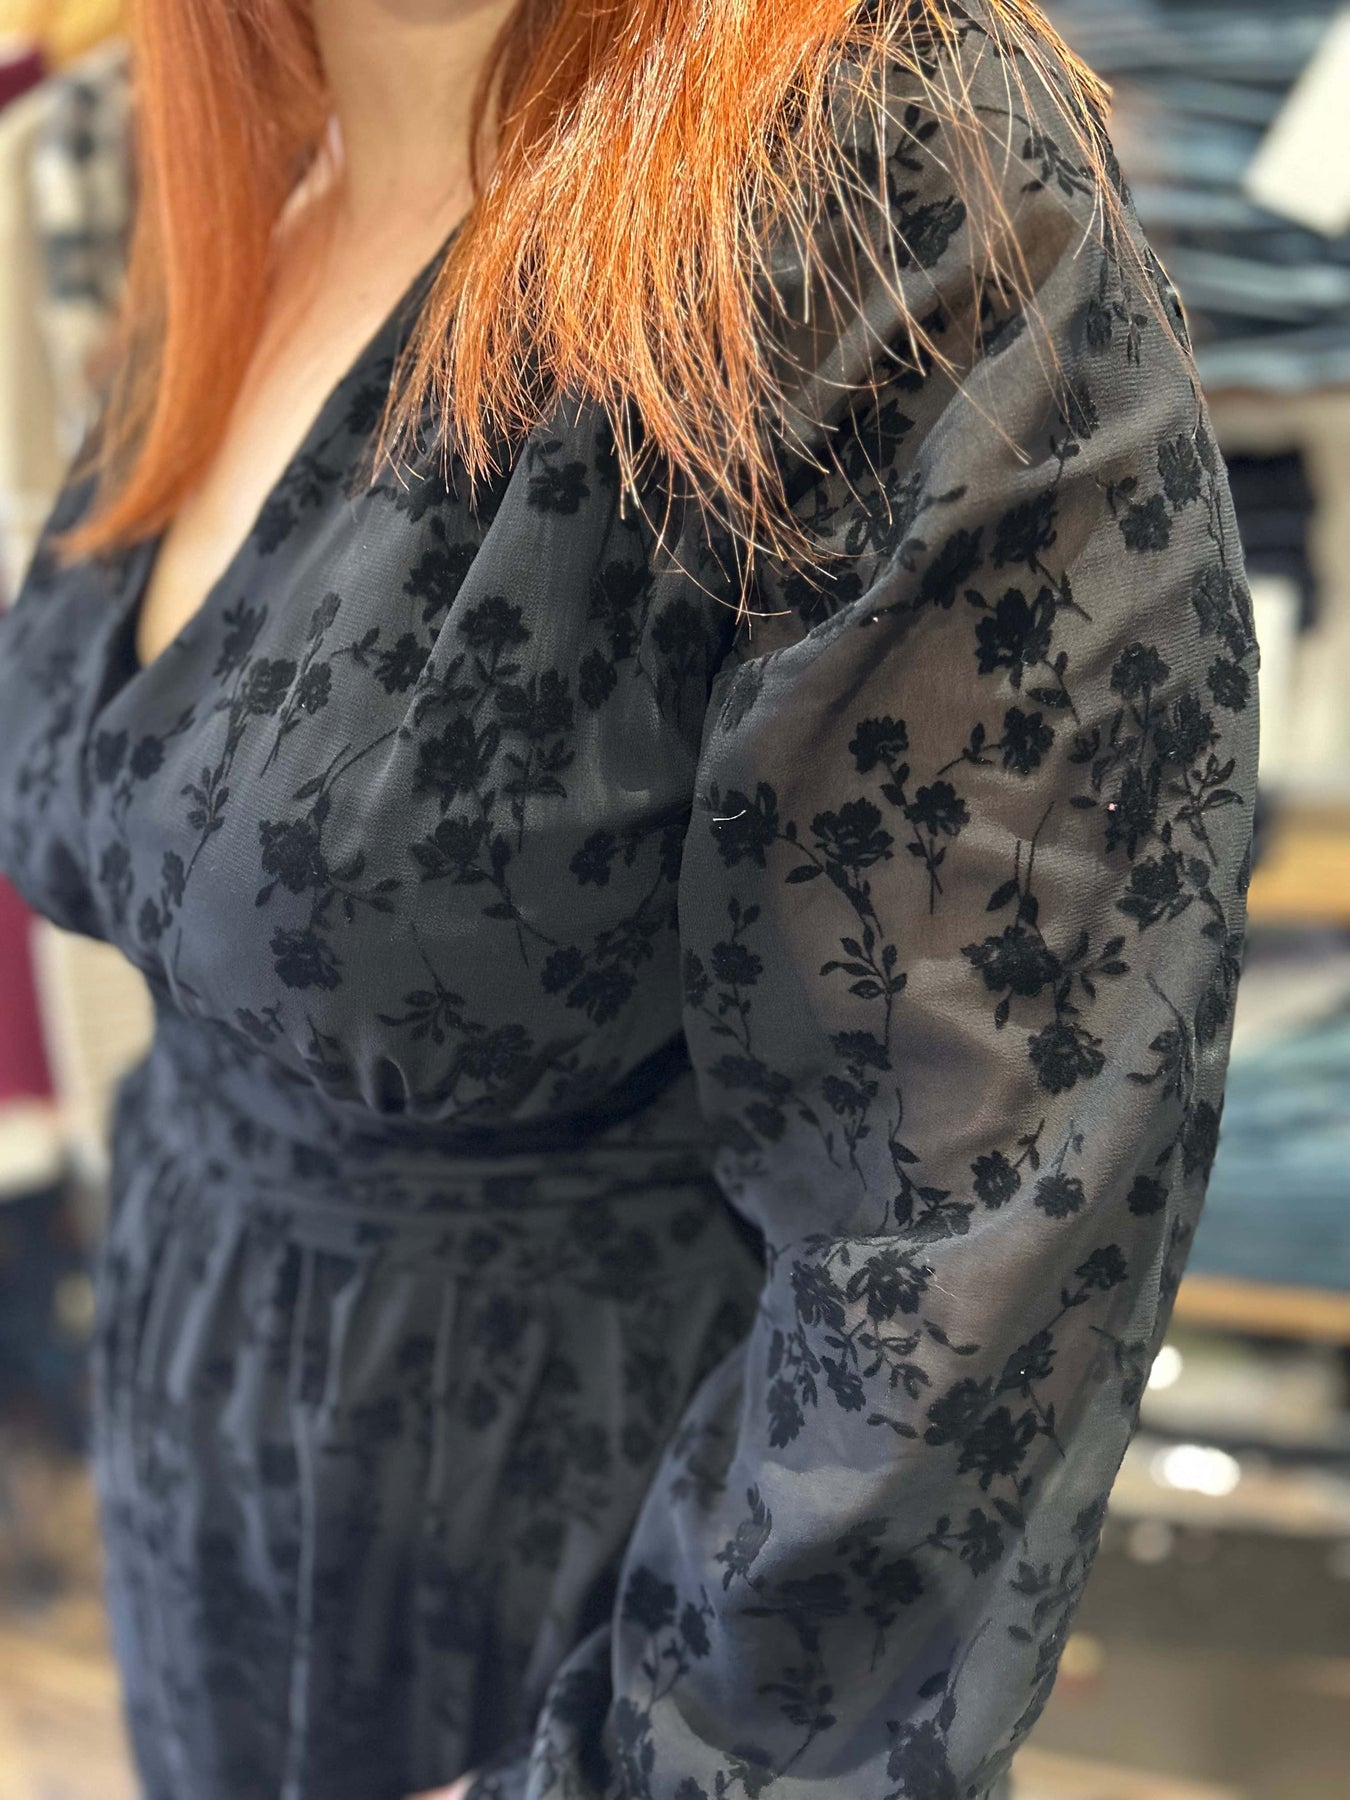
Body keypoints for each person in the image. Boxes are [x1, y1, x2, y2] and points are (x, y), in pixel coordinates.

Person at [0, 1, 1259, 1797]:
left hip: (569, 1568)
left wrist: (655, 1762)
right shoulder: (246, 133)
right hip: (205, 1469)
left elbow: (981, 1220)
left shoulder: (879, 170)